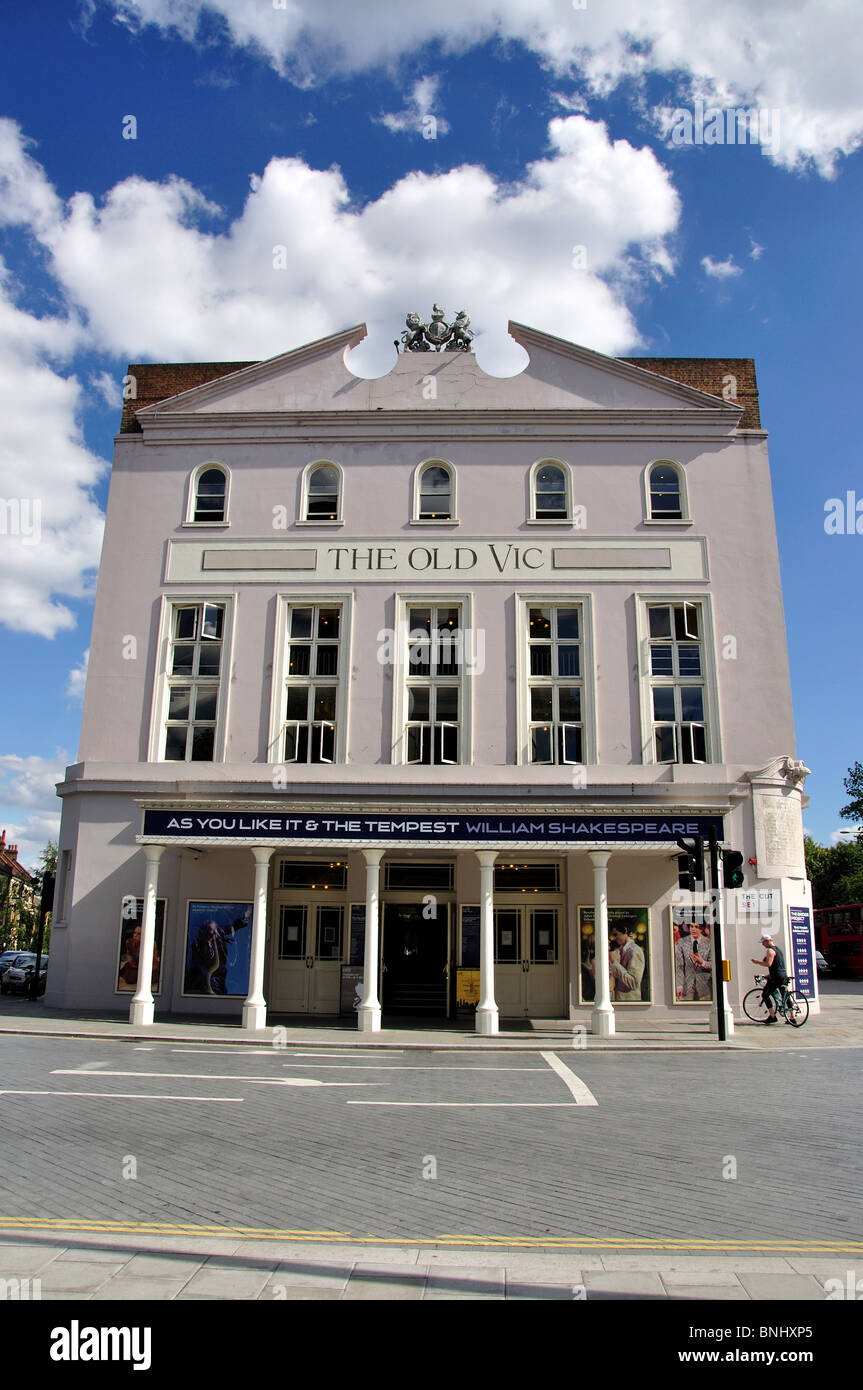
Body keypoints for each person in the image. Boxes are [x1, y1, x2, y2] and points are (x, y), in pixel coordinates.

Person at [751, 932, 788, 1023]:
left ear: (767, 941)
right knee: (786, 996)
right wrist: (769, 975)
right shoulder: (778, 950)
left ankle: (772, 1016)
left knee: (765, 994)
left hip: (776, 978)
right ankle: (792, 1018)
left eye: (763, 942)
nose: (763, 945)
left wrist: (757, 962)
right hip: (783, 975)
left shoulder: (770, 951)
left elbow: (768, 964)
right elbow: (777, 965)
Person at [675, 922, 713, 1001]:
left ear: (701, 929)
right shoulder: (682, 942)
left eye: (697, 927)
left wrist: (702, 962)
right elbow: (679, 965)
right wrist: (679, 985)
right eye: (691, 926)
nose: (693, 929)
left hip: (704, 986)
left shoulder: (708, 943)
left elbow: (713, 964)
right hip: (687, 985)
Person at [609, 925, 646, 1002]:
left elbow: (633, 983)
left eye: (616, 934)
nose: (614, 938)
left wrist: (615, 963)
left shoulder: (635, 950)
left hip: (630, 1003)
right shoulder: (619, 951)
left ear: (625, 931)